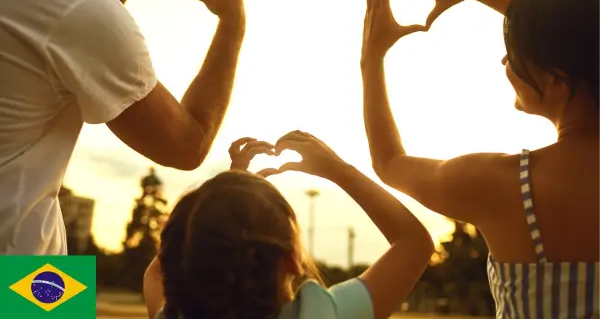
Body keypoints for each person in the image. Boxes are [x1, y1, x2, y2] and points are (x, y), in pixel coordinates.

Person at [360, 0, 599, 317]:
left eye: (517, 51)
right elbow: (583, 36)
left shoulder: (504, 185)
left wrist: (371, 60)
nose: (505, 59)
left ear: (556, 79)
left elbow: (390, 162)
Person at [0, 0, 245, 255]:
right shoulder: (74, 6)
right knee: (63, 307)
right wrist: (232, 23)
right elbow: (187, 145)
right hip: (24, 278)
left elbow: (61, 35)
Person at [143, 132, 435, 319]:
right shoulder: (322, 315)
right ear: (292, 259)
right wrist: (339, 170)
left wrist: (223, 194)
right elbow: (414, 242)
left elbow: (158, 272)